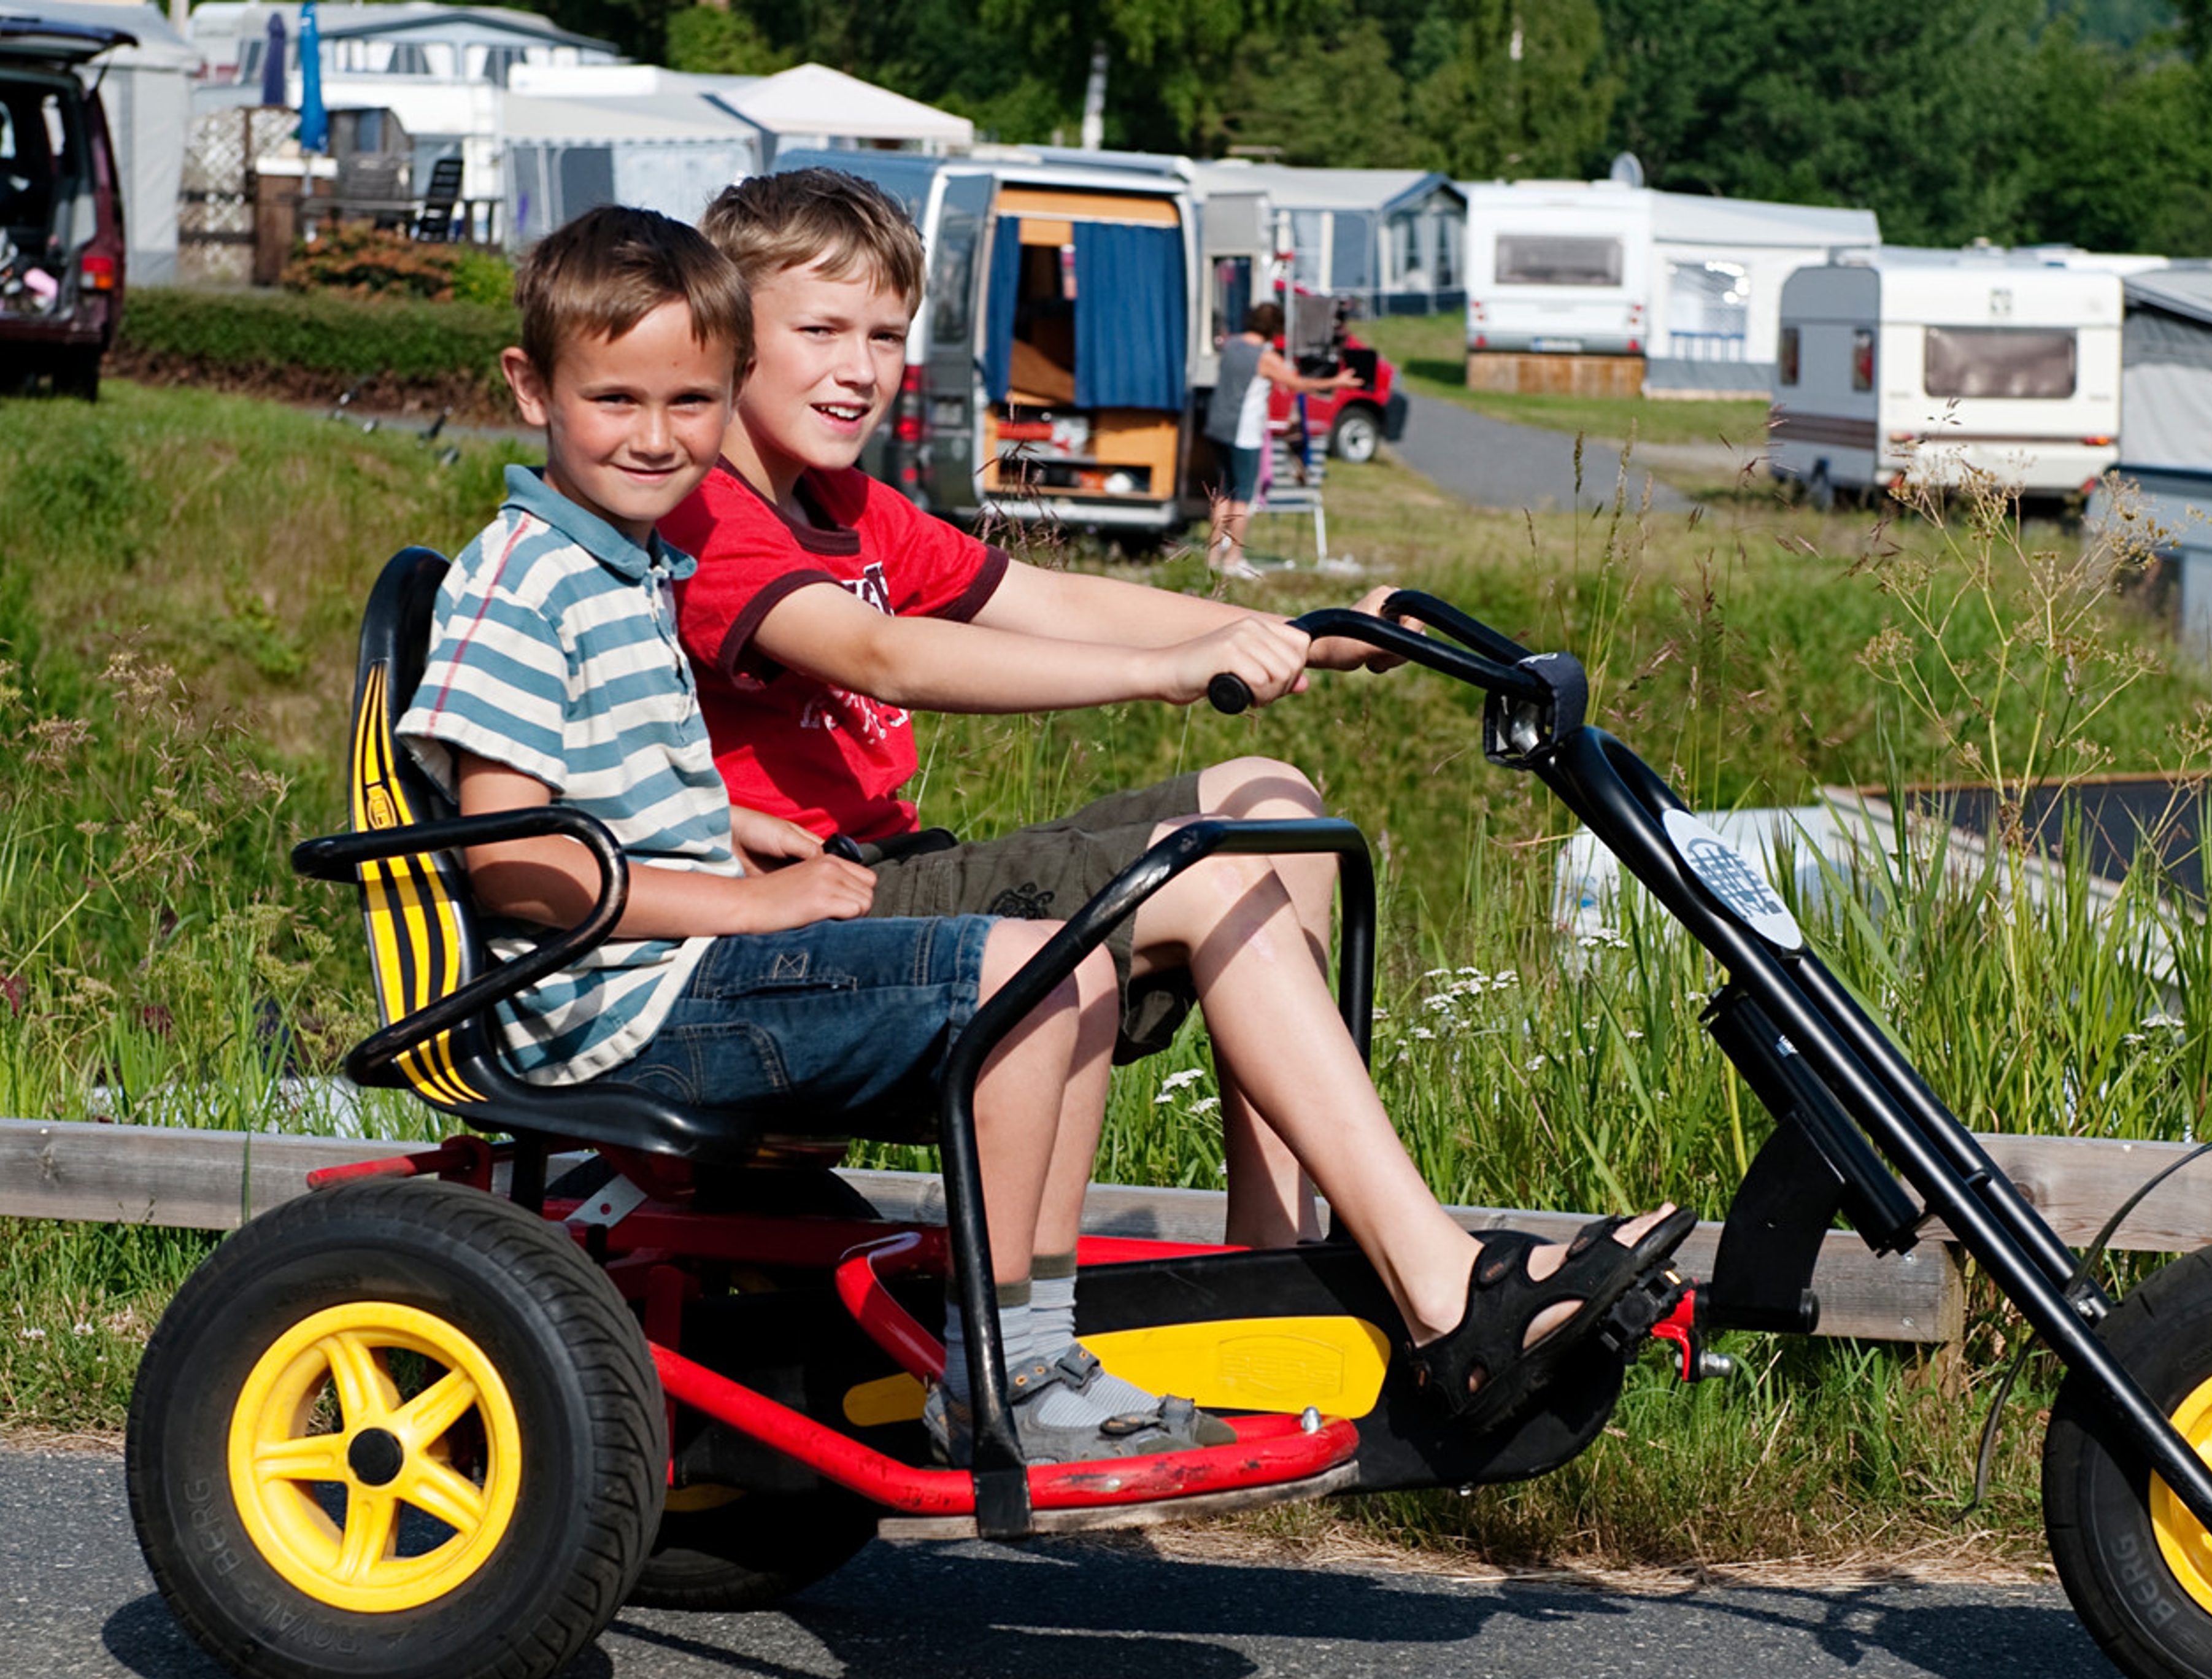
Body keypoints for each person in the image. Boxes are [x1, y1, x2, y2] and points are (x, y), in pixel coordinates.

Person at [660, 168, 1695, 1439]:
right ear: (725, 337)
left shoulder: (851, 507)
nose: (858, 369)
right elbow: (883, 656)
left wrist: (1299, 635)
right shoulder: (707, 511)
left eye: (885, 335)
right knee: (1206, 866)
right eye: (818, 332)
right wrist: (1162, 676)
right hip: (809, 916)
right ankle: (1443, 1295)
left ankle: (1274, 1263)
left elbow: (1061, 602)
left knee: (1266, 799)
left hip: (887, 880)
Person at [394, 205, 1222, 1469]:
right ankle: (1006, 1367)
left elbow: (582, 784)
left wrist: (723, 822)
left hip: (663, 975)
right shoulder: (524, 581)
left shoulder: (618, 566)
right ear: (530, 388)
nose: (658, 439)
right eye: (617, 399)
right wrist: (744, 904)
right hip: (616, 1007)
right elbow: (515, 859)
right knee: (1024, 965)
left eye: (690, 404)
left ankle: (1034, 1341)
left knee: (1068, 955)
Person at [1203, 299, 1358, 577]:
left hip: (1218, 427)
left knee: (1223, 492)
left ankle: (1213, 556)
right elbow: (1299, 384)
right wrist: (1338, 382)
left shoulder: (1232, 345)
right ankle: (1233, 560)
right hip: (1243, 433)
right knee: (1243, 497)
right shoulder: (1265, 358)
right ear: (1275, 329)